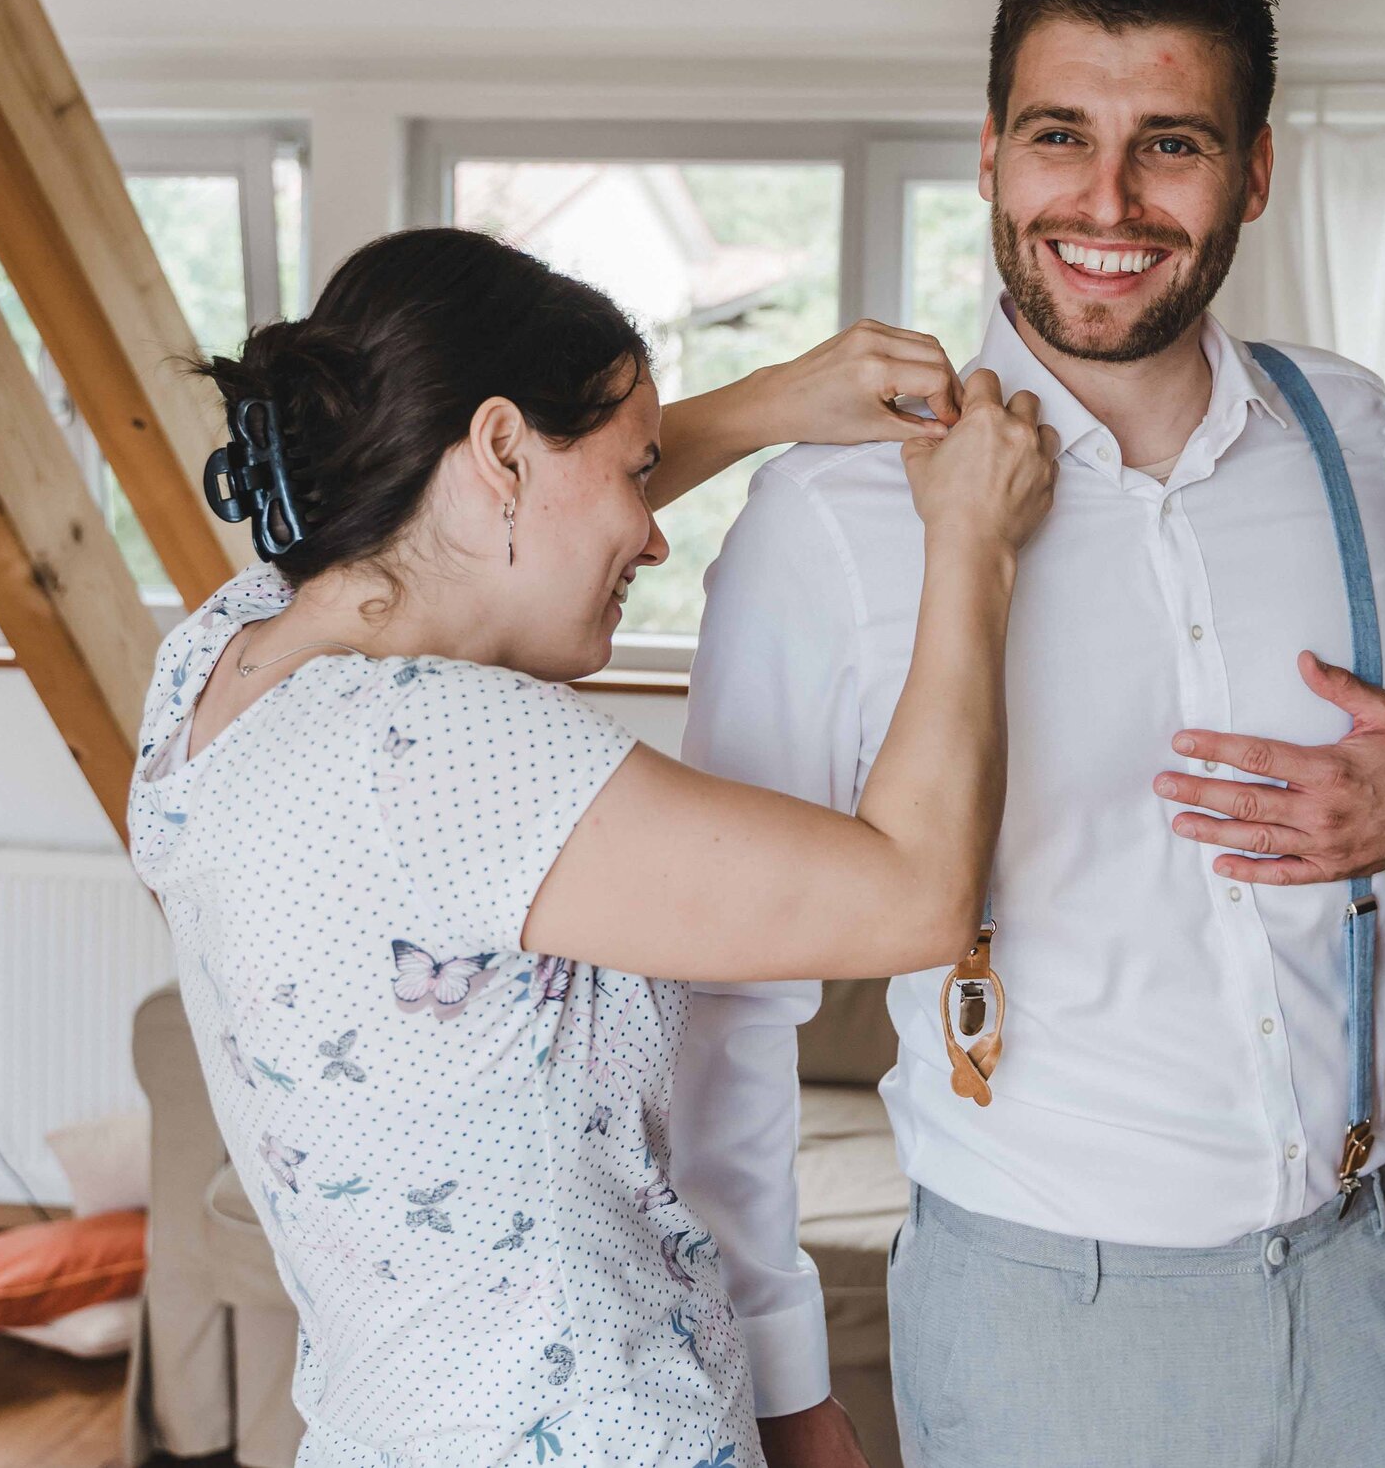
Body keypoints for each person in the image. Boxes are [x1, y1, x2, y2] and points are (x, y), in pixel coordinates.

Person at [682, 0, 1385, 1467]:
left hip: (1370, 1282)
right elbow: (732, 1000)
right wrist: (782, 1367)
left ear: (1255, 170)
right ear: (990, 152)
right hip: (1043, 1317)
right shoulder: (830, 518)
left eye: (1172, 143)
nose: (1108, 200)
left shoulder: (1353, 432)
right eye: (1062, 134)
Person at [127, 225, 1058, 1468]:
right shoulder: (458, 752)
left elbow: (461, 537)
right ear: (501, 446)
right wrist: (972, 544)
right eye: (636, 472)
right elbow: (916, 896)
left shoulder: (222, 662)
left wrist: (768, 404)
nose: (654, 531)